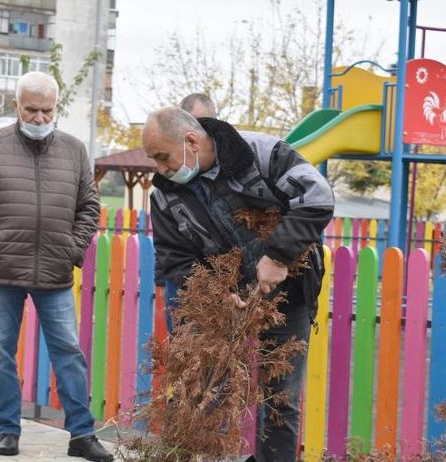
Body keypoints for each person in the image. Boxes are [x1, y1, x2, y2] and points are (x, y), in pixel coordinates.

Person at [142, 106, 333, 462]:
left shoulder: (262, 155)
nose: (161, 169)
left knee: (281, 400)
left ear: (191, 141)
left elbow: (317, 197)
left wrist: (277, 257)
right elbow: (176, 259)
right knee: (209, 392)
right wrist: (217, 295)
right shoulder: (165, 196)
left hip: (288, 295)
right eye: (155, 160)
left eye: (163, 157)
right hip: (224, 307)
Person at [0, 71, 112, 462]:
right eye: (32, 110)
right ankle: (8, 431)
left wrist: (73, 249)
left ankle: (81, 434)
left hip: (56, 272)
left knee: (69, 353)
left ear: (56, 108)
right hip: (4, 268)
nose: (40, 118)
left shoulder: (75, 150)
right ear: (16, 106)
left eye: (47, 110)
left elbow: (89, 206)